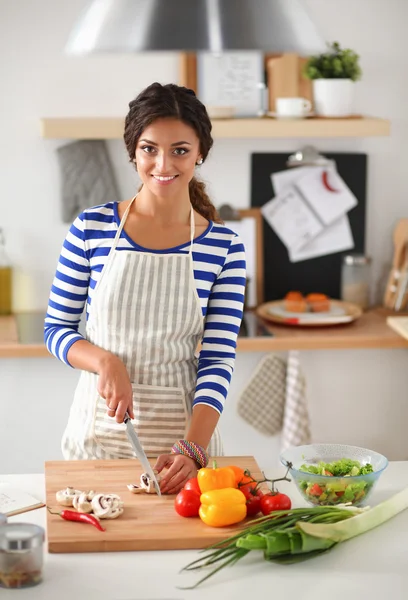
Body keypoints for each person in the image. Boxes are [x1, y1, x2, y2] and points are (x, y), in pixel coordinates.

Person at [44, 82, 246, 494]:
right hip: (95, 439)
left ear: (200, 153)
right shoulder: (92, 228)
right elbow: (55, 329)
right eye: (149, 148)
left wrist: (194, 448)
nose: (163, 163)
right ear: (133, 151)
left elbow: (218, 359)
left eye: (180, 150)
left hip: (183, 444)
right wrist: (104, 361)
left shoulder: (224, 247)